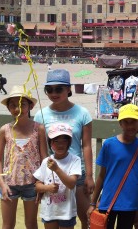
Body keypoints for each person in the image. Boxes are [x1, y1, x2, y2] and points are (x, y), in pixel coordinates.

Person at [34, 69, 94, 229]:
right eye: (49, 89)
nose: (54, 93)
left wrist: (89, 176)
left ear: (69, 89)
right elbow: (42, 150)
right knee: (54, 217)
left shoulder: (83, 113)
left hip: (77, 173)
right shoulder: (40, 115)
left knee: (85, 217)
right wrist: (42, 179)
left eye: (59, 88)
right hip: (52, 176)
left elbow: (86, 146)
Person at [87, 104, 138, 229]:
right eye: (126, 122)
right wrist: (92, 203)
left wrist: (137, 209)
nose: (130, 126)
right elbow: (102, 175)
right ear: (120, 124)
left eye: (133, 122)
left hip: (129, 205)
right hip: (108, 202)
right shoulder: (109, 145)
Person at [0, 85, 48, 229]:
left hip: (32, 183)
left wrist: (41, 182)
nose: (17, 109)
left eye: (22, 104)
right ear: (8, 108)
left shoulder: (39, 128)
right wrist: (2, 184)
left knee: (31, 224)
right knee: (8, 224)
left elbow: (44, 157)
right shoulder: (5, 130)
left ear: (30, 106)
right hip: (9, 183)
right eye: (13, 105)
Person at [34, 123, 81, 229]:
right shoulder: (46, 161)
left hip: (67, 211)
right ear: (50, 143)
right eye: (56, 141)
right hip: (49, 211)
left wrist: (57, 169)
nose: (60, 145)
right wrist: (47, 188)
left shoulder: (75, 160)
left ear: (69, 142)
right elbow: (37, 185)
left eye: (64, 140)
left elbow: (71, 184)